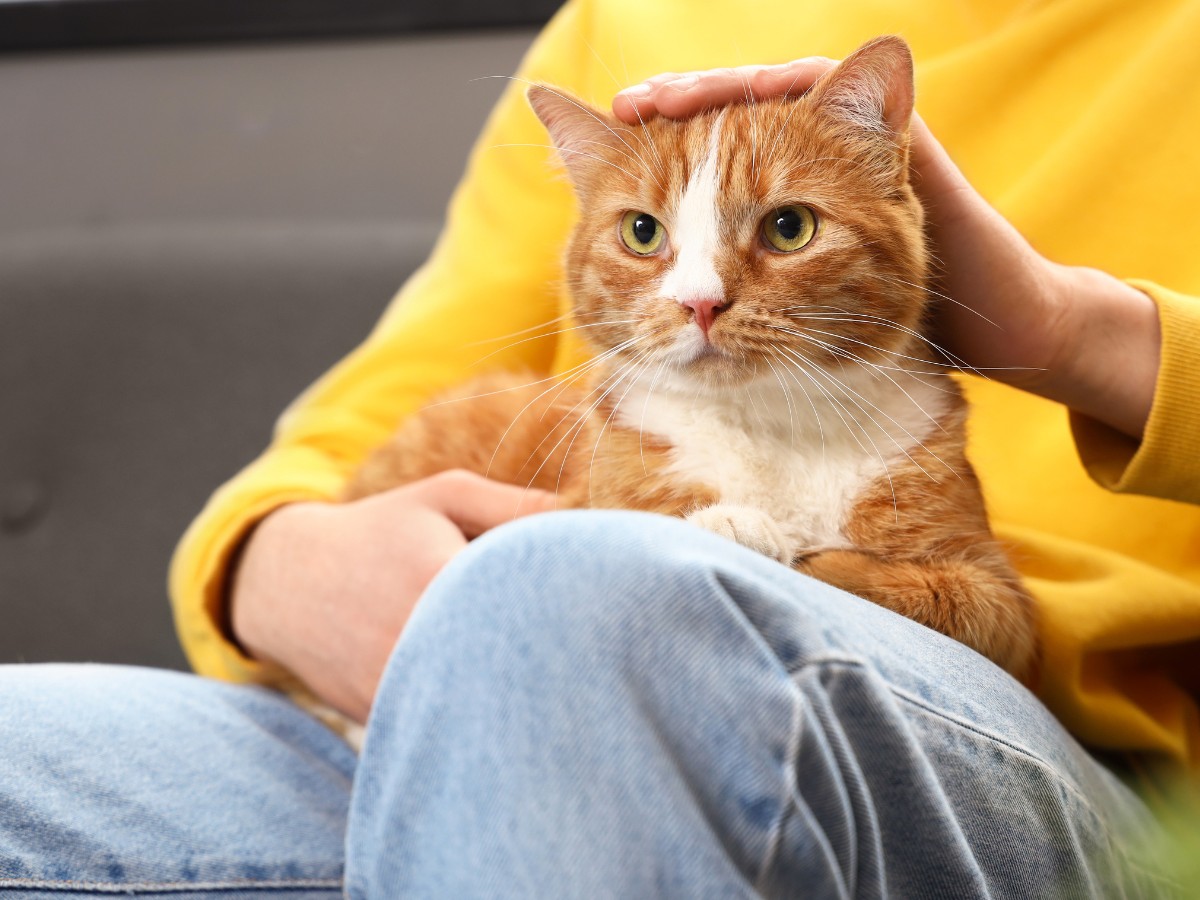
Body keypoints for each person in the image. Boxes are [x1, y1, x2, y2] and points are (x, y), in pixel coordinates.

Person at [3, 0, 1198, 896]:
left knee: (586, 589)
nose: (702, 294)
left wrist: (1070, 330)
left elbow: (977, 605)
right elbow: (358, 428)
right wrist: (277, 567)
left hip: (1036, 760)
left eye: (784, 228)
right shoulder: (626, 15)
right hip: (472, 685)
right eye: (643, 235)